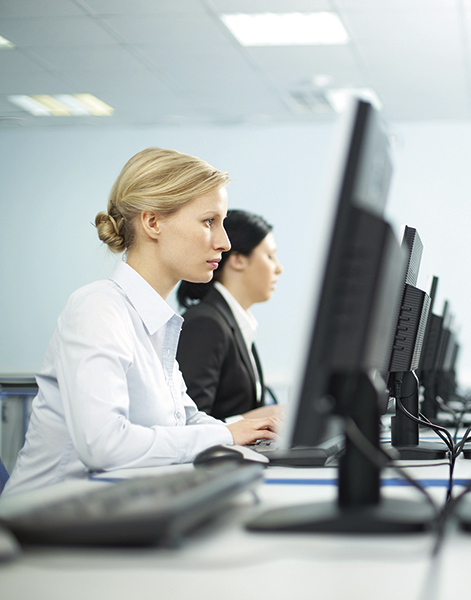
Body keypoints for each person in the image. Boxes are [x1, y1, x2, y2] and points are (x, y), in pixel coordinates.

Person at [3, 148, 277, 496]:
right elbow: (104, 445)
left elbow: (187, 420)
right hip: (43, 523)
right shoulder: (98, 308)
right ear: (152, 222)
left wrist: (252, 432)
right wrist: (225, 434)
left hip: (110, 507)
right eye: (209, 221)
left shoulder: (155, 320)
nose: (223, 242)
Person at [176, 210, 283, 421]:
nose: (278, 268)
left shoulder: (234, 323)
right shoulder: (206, 324)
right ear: (237, 260)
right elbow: (188, 425)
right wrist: (255, 421)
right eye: (270, 256)